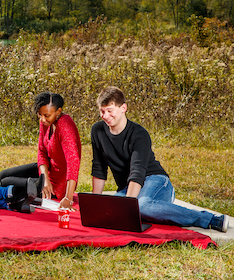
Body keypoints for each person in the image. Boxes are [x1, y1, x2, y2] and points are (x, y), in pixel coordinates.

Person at [91, 86, 228, 232]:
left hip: (155, 180)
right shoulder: (97, 130)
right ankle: (150, 208)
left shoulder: (139, 134)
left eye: (109, 111)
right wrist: (95, 204)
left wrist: (127, 207)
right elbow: (99, 168)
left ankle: (210, 219)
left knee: (140, 206)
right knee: (111, 210)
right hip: (128, 188)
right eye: (102, 111)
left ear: (123, 108)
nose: (105, 116)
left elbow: (137, 172)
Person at [0, 92, 81, 209]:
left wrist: (68, 197)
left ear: (58, 112)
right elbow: (41, 151)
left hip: (58, 183)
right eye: (40, 115)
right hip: (47, 171)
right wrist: (45, 178)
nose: (42, 119)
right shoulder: (46, 122)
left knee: (5, 182)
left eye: (46, 115)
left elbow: (73, 161)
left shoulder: (65, 125)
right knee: (2, 175)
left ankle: (35, 186)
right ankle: (36, 183)